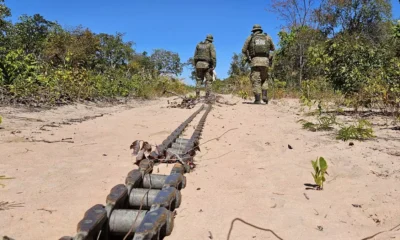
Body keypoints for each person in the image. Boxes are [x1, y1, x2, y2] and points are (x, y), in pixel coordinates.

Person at [242, 24, 275, 104]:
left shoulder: (250, 37)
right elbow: (273, 48)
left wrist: (248, 57)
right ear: (260, 30)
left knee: (256, 80)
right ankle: (264, 95)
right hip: (265, 62)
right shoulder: (267, 37)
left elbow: (243, 50)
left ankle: (257, 99)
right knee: (264, 79)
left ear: (253, 30)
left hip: (255, 61)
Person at [193, 34, 217, 98]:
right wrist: (214, 65)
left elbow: (195, 56)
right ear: (211, 40)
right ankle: (208, 95)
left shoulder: (198, 45)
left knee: (199, 80)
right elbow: (213, 56)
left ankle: (197, 95)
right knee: (209, 80)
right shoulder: (210, 45)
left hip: (198, 64)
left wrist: (195, 64)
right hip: (207, 65)